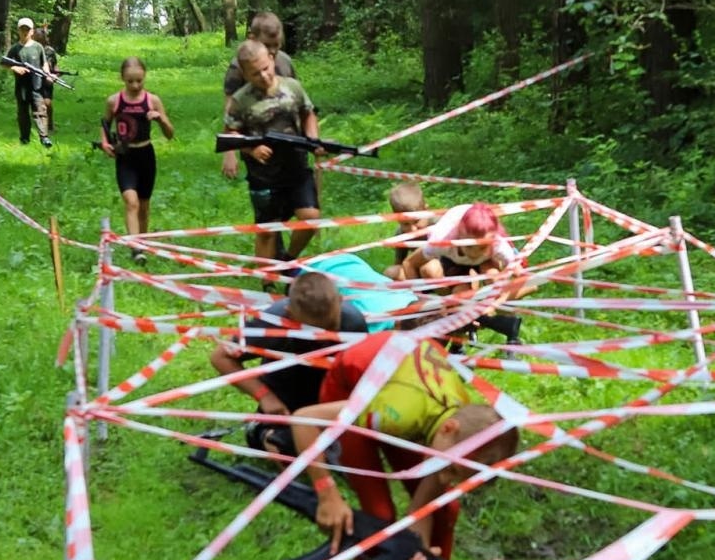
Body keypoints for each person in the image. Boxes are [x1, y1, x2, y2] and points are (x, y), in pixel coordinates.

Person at [278, 331, 519, 560]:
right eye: (452, 469)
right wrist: (327, 494)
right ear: (449, 429)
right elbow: (303, 420)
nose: (449, 480)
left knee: (444, 511)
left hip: (403, 392)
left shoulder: (461, 418)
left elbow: (438, 477)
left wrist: (418, 527)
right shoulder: (393, 414)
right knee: (379, 516)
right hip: (352, 387)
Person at [208, 271, 368, 436]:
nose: (322, 336)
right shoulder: (273, 321)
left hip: (333, 400)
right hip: (286, 400)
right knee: (283, 444)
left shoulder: (353, 322)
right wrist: (265, 397)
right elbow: (221, 357)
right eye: (311, 330)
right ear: (289, 314)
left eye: (331, 327)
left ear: (341, 301)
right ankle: (261, 430)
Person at [224, 39, 324, 264]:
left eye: (266, 69)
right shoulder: (241, 100)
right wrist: (251, 148)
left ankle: (288, 261)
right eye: (255, 74)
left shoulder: (292, 87)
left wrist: (313, 139)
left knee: (311, 218)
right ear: (245, 74)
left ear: (271, 59)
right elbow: (230, 133)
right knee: (267, 230)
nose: (264, 76)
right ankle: (266, 282)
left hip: (297, 168)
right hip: (264, 175)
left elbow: (308, 113)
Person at [395, 202, 525, 345]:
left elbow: (524, 279)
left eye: (482, 247)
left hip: (487, 259)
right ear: (459, 237)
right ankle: (459, 342)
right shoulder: (442, 240)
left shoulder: (498, 245)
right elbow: (409, 263)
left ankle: (510, 331)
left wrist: (495, 304)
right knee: (459, 299)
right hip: (454, 258)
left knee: (494, 279)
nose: (475, 253)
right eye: (470, 246)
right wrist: (421, 303)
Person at [99, 57, 174, 262]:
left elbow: (170, 133)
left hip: (146, 155)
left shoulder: (153, 101)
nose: (134, 85)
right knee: (130, 202)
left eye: (139, 81)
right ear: (122, 78)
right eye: (130, 81)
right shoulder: (114, 101)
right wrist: (105, 142)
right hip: (125, 156)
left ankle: (142, 241)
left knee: (144, 204)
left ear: (144, 78)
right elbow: (105, 125)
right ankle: (135, 248)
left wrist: (160, 119)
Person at [221, 12, 298, 182]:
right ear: (252, 38)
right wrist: (230, 152)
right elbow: (230, 111)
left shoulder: (285, 62)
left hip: (290, 144)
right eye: (267, 45)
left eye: (277, 45)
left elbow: (297, 100)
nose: (272, 52)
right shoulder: (238, 67)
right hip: (257, 143)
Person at [0, 16, 52, 146]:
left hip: (37, 86)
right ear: (18, 31)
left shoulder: (38, 47)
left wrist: (47, 74)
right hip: (21, 87)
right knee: (23, 114)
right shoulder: (15, 48)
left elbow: (43, 62)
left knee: (40, 111)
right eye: (22, 29)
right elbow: (4, 63)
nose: (25, 32)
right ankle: (24, 138)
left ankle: (44, 137)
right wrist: (14, 68)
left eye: (27, 29)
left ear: (32, 31)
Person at [385, 182, 430, 279]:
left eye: (417, 221)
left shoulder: (439, 224)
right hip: (417, 272)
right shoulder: (400, 235)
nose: (412, 229)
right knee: (391, 272)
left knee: (429, 268)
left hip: (442, 270)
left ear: (426, 210)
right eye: (405, 224)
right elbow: (399, 263)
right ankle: (416, 292)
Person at [32, 28, 59, 138]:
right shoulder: (30, 49)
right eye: (36, 37)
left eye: (40, 38)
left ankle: (50, 123)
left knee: (47, 103)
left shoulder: (50, 50)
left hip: (47, 80)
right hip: (34, 80)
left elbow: (55, 65)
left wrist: (56, 75)